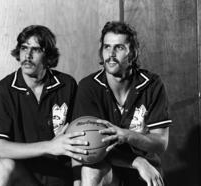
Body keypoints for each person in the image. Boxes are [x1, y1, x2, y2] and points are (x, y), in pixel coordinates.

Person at [72, 21, 172, 186]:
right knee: (90, 170)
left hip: (145, 168)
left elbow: (161, 143)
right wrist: (136, 161)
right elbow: (90, 147)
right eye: (106, 47)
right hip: (108, 165)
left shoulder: (152, 84)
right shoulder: (89, 86)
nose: (110, 54)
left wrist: (126, 135)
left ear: (133, 52)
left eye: (119, 47)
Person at [0, 25, 88, 186]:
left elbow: (78, 140)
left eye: (36, 49)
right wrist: (49, 146)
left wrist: (78, 182)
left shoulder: (67, 85)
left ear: (47, 55)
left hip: (61, 178)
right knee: (1, 167)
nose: (27, 55)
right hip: (26, 179)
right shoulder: (4, 90)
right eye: (24, 48)